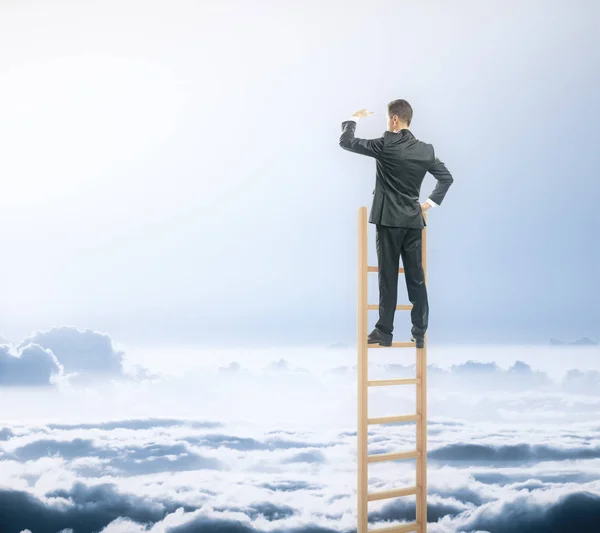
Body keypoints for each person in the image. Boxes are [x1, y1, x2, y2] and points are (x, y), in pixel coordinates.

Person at [339, 99, 453, 348]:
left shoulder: (386, 145)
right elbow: (447, 178)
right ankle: (420, 331)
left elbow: (346, 142)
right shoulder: (426, 150)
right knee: (416, 279)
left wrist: (354, 118)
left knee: (388, 276)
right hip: (413, 221)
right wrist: (428, 204)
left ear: (393, 120)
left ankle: (384, 331)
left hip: (388, 221)